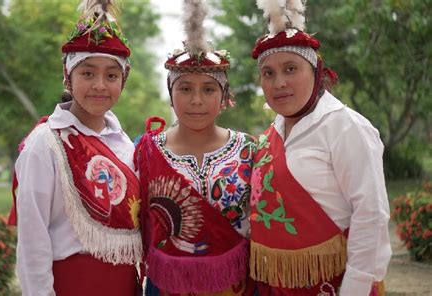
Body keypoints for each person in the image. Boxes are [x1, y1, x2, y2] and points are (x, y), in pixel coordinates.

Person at [249, 1, 392, 296]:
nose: (279, 83)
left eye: (291, 69)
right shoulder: (269, 134)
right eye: (268, 73)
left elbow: (371, 215)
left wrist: (355, 289)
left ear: (316, 72)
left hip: (336, 285)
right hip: (275, 286)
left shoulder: (346, 127)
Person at [7, 1, 142, 295]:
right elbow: (32, 240)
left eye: (111, 75)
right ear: (68, 77)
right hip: (71, 285)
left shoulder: (124, 144)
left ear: (123, 81)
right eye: (87, 73)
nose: (100, 85)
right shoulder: (45, 143)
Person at [134, 1, 256, 295]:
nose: (197, 100)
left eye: (209, 89)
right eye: (185, 88)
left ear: (224, 95)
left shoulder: (250, 149)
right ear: (171, 93)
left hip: (237, 286)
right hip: (167, 286)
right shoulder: (147, 150)